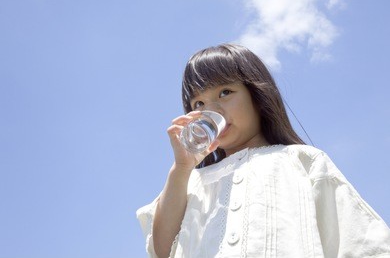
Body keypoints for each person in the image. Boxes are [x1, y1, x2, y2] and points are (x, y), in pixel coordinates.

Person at [136, 44, 390, 258]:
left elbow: (360, 242)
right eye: (199, 103)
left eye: (225, 92)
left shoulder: (301, 160)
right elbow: (162, 249)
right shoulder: (190, 183)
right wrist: (181, 168)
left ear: (257, 95)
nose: (212, 109)